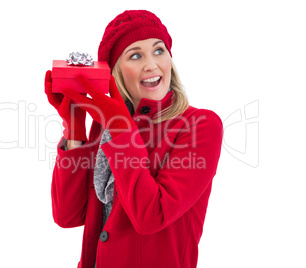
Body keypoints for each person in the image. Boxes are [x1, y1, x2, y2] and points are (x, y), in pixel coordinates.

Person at [44, 10, 223, 268]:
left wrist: (120, 128)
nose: (151, 64)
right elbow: (67, 215)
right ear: (115, 72)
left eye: (159, 51)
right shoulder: (106, 126)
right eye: (136, 55)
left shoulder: (200, 126)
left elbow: (150, 216)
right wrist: (75, 132)